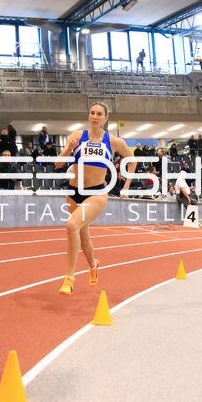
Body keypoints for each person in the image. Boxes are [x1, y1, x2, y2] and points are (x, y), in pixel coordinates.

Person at [55, 102, 135, 295]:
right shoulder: (76, 136)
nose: (95, 116)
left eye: (99, 114)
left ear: (105, 118)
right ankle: (93, 265)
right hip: (74, 192)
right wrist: (68, 150)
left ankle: (69, 278)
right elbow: (58, 163)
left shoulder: (114, 141)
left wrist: (126, 187)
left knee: (71, 226)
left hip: (97, 193)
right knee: (83, 239)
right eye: (92, 112)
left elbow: (132, 161)